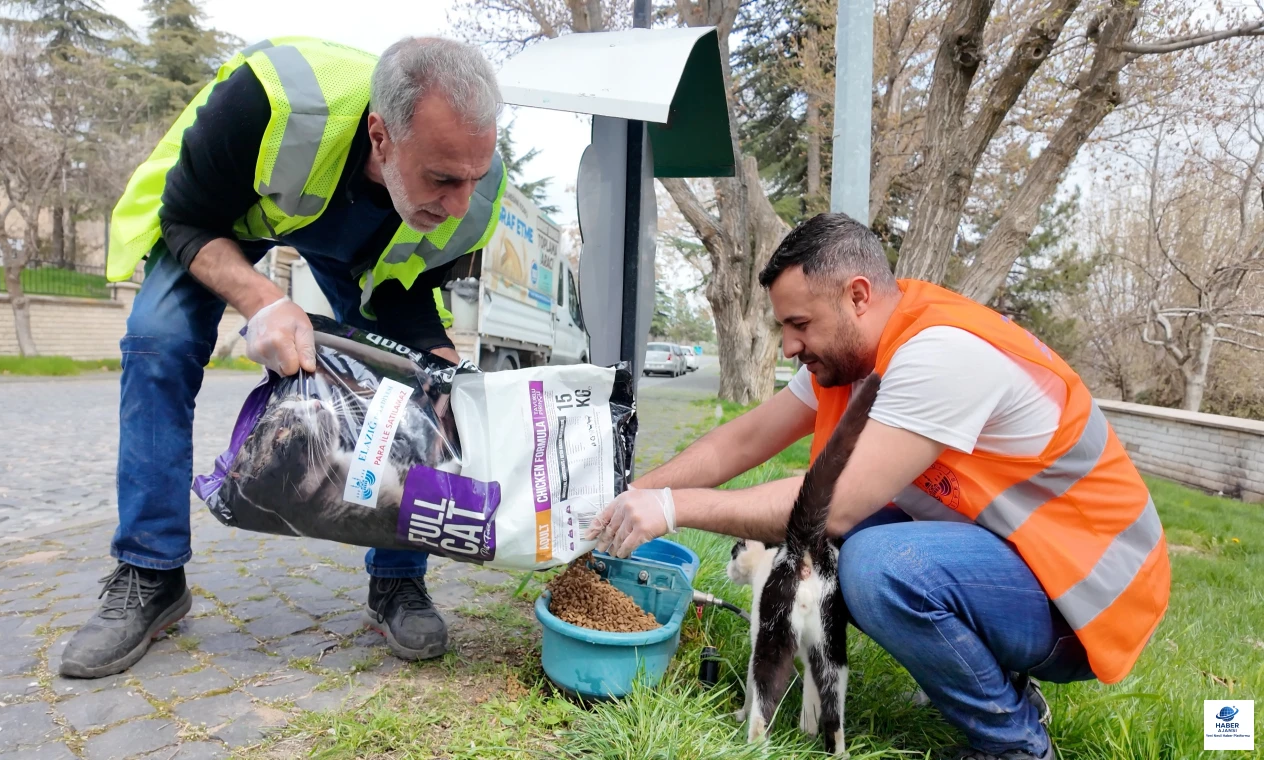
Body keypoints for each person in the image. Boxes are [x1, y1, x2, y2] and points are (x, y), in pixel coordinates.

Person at [588, 214, 1170, 760]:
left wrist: (673, 508)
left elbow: (833, 506)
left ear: (858, 296)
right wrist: (631, 498)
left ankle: (1016, 744)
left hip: (1088, 600)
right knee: (844, 551)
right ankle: (1001, 683)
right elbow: (736, 444)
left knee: (874, 563)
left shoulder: (942, 354)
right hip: (1020, 569)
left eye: (799, 325)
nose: (789, 346)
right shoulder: (856, 355)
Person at [61, 36, 507, 678]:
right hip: (221, 217)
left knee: (421, 383)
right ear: (381, 136)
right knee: (158, 341)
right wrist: (263, 301)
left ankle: (398, 579)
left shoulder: (471, 180)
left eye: (473, 177)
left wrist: (437, 366)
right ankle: (150, 574)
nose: (462, 201)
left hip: (349, 245)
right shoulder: (267, 102)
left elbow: (405, 293)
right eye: (442, 178)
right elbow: (185, 219)